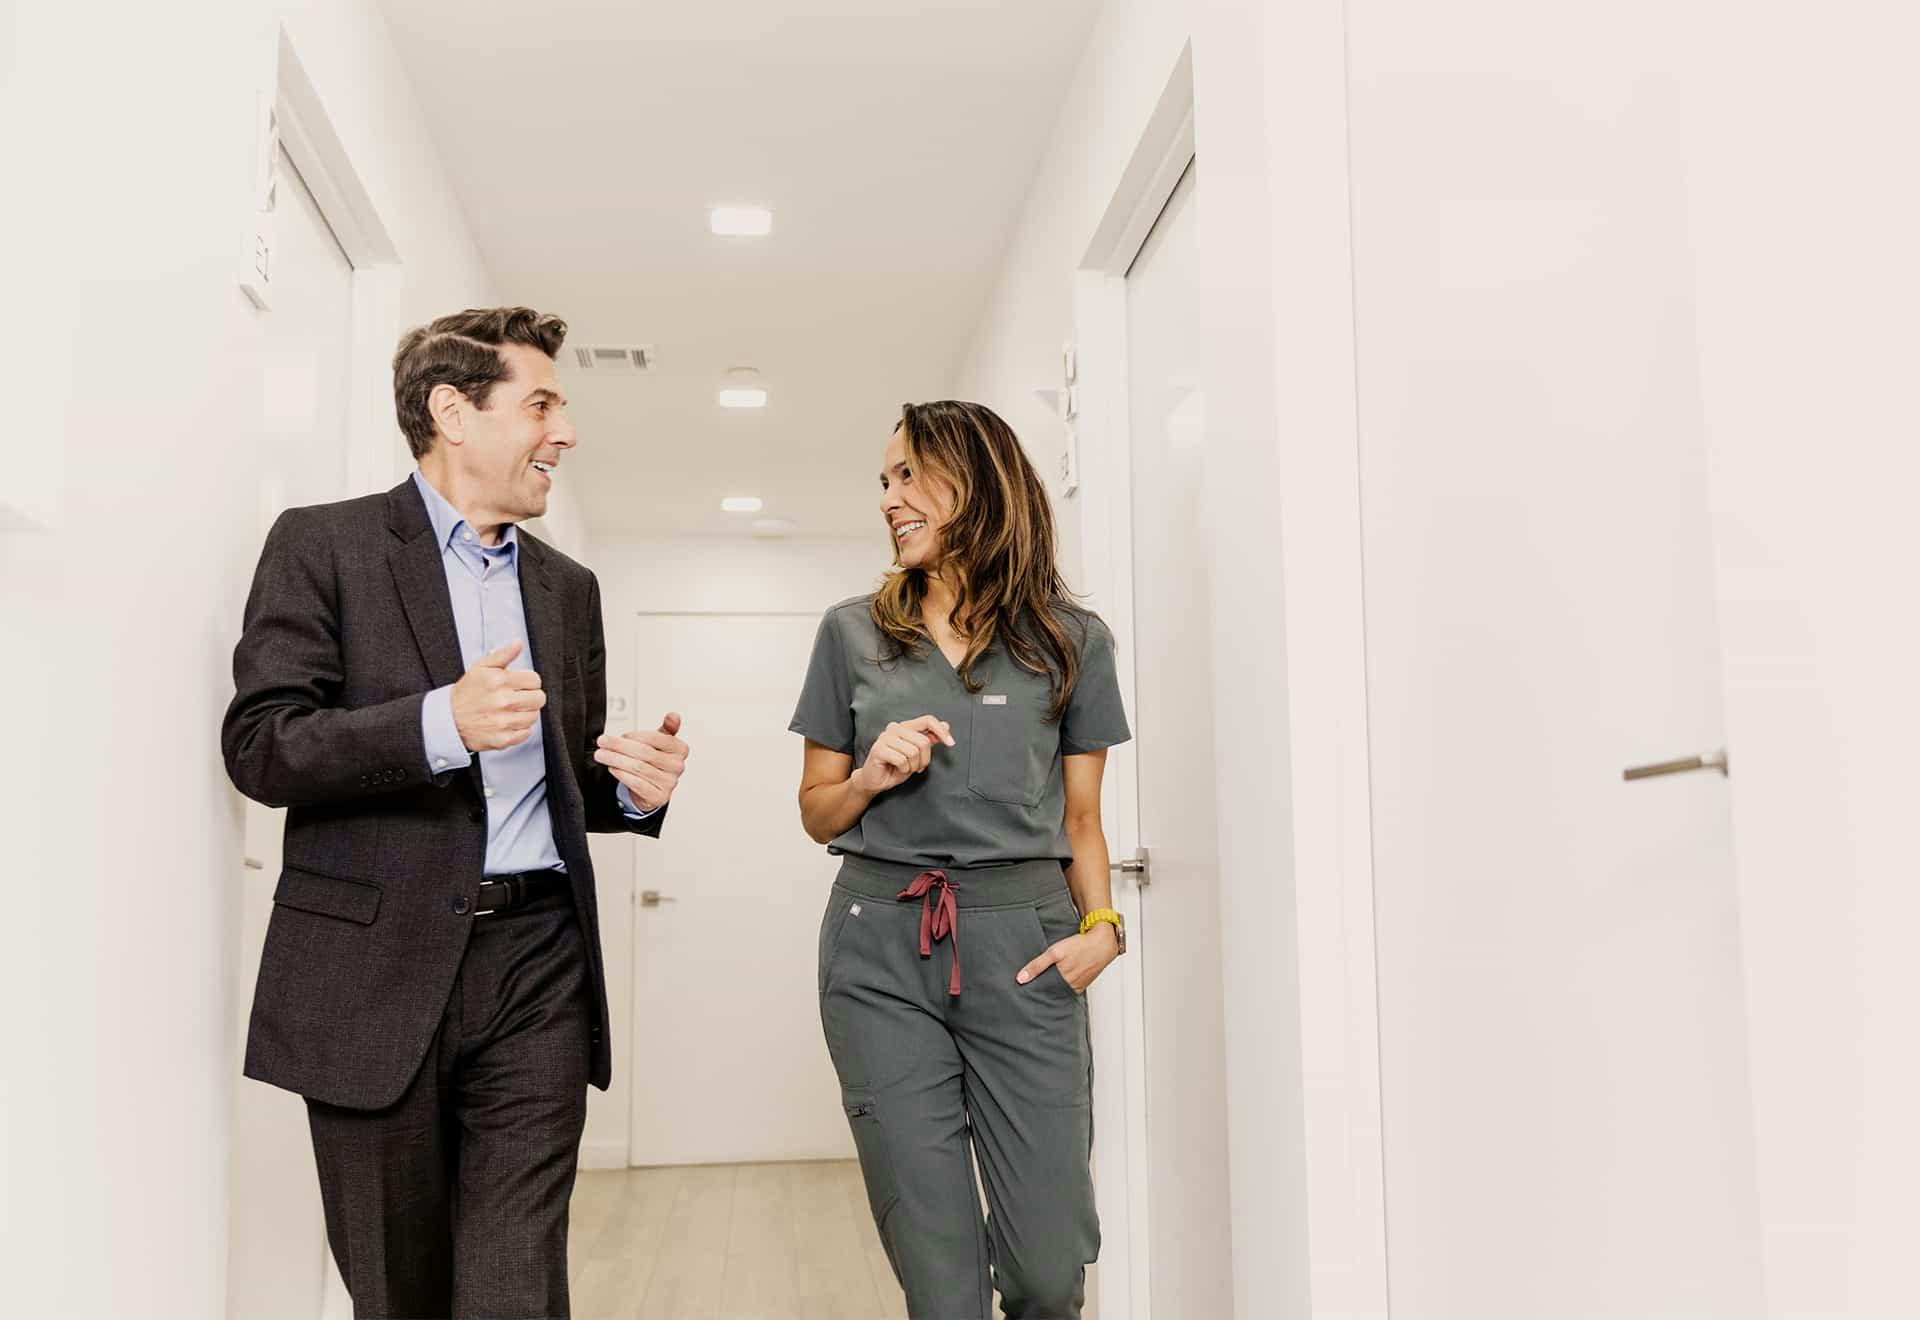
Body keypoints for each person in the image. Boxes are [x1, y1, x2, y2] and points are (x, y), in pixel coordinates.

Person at [222, 306, 689, 1317]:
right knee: (400, 1293)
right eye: (542, 404)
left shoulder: (569, 589)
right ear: (453, 413)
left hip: (538, 965)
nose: (564, 433)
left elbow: (560, 774)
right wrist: (438, 723)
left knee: (514, 1286)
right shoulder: (324, 545)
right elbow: (263, 744)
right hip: (371, 974)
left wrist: (631, 791)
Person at [790, 400, 1132, 1319]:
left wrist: (1104, 929)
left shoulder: (1072, 640)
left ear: (975, 482)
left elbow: (1086, 819)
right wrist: (868, 775)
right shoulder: (851, 631)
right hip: (878, 951)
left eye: (908, 476)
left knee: (1047, 1267)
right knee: (940, 1282)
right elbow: (818, 811)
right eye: (884, 482)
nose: (890, 499)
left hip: (1027, 950)